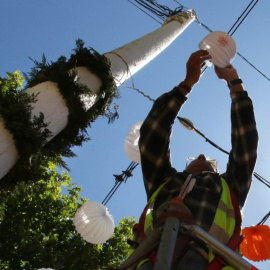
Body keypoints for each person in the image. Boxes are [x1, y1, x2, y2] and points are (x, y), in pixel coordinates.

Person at [136, 50, 259, 269]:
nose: (203, 155)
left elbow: (245, 139)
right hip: (150, 260)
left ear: (217, 173)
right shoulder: (164, 181)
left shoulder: (230, 187)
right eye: (196, 157)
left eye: (211, 161)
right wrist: (186, 84)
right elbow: (153, 135)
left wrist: (235, 83)